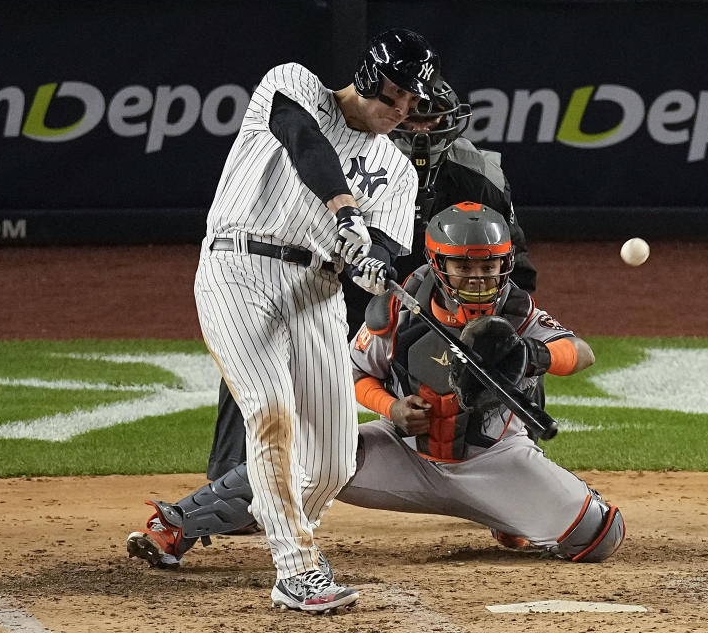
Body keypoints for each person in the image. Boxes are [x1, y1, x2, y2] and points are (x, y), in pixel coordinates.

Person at [126, 204, 625, 578]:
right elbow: (351, 373)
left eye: (489, 266)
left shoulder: (518, 314)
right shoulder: (398, 311)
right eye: (466, 266)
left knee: (600, 537)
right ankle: (176, 525)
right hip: (405, 456)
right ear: (439, 265)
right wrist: (390, 406)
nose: (479, 277)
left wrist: (533, 355)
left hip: (496, 462)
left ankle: (507, 514)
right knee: (308, 452)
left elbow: (579, 351)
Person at [179, 28, 444, 613]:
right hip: (238, 269)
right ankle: (297, 567)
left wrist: (373, 265)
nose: (399, 112)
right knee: (270, 414)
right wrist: (345, 213)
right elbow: (305, 145)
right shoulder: (293, 83)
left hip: (317, 291)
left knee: (332, 461)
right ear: (371, 76)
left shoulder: (398, 172)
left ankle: (210, 519)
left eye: (410, 104)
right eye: (393, 96)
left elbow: (384, 248)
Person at [202, 79, 538, 482]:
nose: (420, 131)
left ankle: (518, 465)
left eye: (430, 120)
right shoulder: (345, 162)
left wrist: (497, 329)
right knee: (263, 337)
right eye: (411, 118)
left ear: (450, 122)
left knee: (507, 346)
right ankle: (232, 475)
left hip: (434, 303)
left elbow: (515, 267)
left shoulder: (479, 175)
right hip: (344, 284)